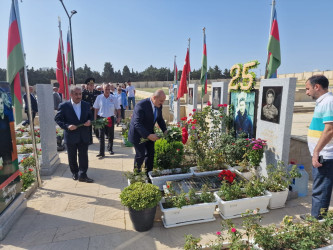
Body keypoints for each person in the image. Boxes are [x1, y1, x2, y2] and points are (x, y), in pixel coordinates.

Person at [305, 75, 333, 219]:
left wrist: (316, 151)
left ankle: (317, 221)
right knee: (319, 188)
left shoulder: (328, 101)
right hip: (322, 153)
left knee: (320, 190)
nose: (306, 92)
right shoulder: (323, 101)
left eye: (308, 88)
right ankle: (316, 217)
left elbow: (330, 129)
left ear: (317, 87)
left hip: (325, 155)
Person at [54, 85, 93, 183]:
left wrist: (89, 121)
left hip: (83, 135)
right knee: (72, 156)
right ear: (71, 94)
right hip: (71, 136)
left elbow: (90, 117)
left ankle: (83, 174)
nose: (79, 96)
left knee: (83, 156)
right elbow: (57, 119)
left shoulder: (86, 104)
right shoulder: (64, 106)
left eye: (80, 94)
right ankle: (75, 172)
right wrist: (67, 126)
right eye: (76, 94)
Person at [128, 90, 167, 177]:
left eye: (163, 100)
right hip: (138, 134)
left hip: (149, 132)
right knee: (140, 155)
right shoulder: (141, 105)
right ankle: (136, 176)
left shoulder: (158, 105)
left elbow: (160, 119)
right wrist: (148, 135)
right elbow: (137, 123)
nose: (162, 103)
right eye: (161, 100)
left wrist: (165, 130)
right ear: (154, 98)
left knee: (150, 155)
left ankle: (148, 175)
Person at [93, 83, 121, 157]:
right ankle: (101, 152)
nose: (107, 91)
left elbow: (118, 108)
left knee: (110, 135)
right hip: (101, 118)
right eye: (106, 89)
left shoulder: (113, 98)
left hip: (110, 118)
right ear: (103, 89)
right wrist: (95, 119)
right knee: (101, 136)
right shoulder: (99, 97)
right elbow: (96, 108)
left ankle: (110, 148)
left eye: (109, 89)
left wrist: (119, 117)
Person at [0, 89, 15, 183]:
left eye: (1, 103)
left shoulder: (6, 118)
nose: (0, 106)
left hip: (6, 148)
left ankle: (9, 179)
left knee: (7, 163)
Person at [82, 77, 101, 144]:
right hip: (88, 112)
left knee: (97, 124)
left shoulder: (98, 93)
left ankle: (98, 136)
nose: (92, 86)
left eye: (92, 85)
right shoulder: (84, 93)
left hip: (96, 111)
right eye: (90, 85)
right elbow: (82, 102)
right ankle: (90, 140)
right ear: (87, 85)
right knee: (89, 126)